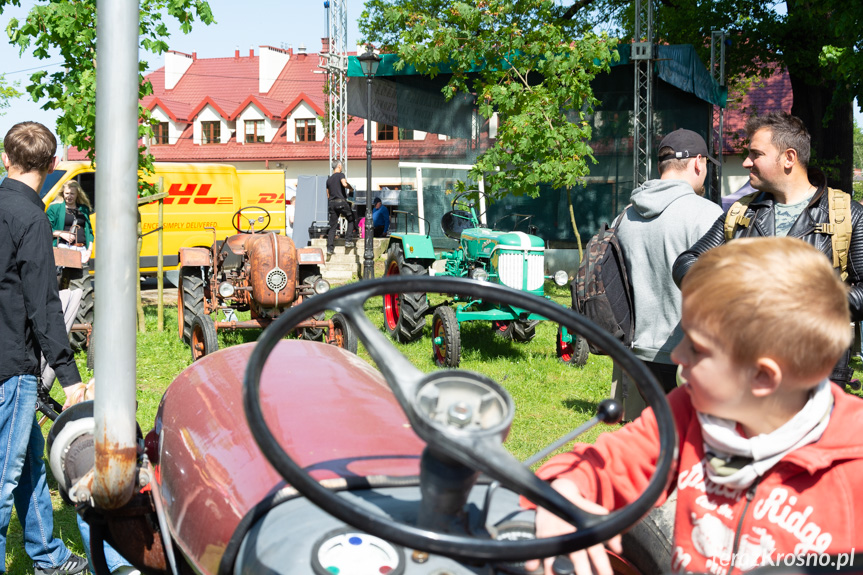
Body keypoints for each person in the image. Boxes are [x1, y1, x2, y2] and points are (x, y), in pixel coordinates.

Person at [528, 237, 863, 575]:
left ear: (762, 377)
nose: (677, 356)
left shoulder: (853, 464)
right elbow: (608, 462)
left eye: (697, 348)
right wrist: (565, 491)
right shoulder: (687, 413)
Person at [673, 112, 863, 389]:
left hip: (816, 373)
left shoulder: (846, 214)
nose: (747, 161)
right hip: (745, 370)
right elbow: (687, 263)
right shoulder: (741, 212)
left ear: (789, 158)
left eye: (756, 154)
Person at [0, 121, 89, 574]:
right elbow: (43, 304)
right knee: (2, 479)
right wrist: (70, 379)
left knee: (30, 464)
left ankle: (48, 558)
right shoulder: (30, 217)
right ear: (52, 166)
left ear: (4, 158)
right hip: (9, 365)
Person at [616, 128, 723, 398]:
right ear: (699, 163)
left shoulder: (626, 215)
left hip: (635, 352)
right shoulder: (708, 214)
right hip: (687, 356)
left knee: (653, 434)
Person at [47, 180, 94, 265]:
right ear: (63, 193)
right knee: (64, 277)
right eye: (67, 193)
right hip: (63, 248)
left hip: (82, 250)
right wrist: (61, 234)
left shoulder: (84, 209)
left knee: (81, 277)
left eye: (72, 194)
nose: (69, 196)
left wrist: (89, 250)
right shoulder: (54, 208)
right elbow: (46, 229)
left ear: (77, 195)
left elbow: (90, 232)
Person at [325, 160, 358, 255]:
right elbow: (344, 184)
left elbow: (328, 194)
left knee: (333, 226)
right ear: (339, 166)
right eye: (341, 165)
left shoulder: (329, 179)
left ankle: (329, 249)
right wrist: (350, 188)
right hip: (341, 202)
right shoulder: (341, 175)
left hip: (332, 203)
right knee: (351, 219)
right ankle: (348, 241)